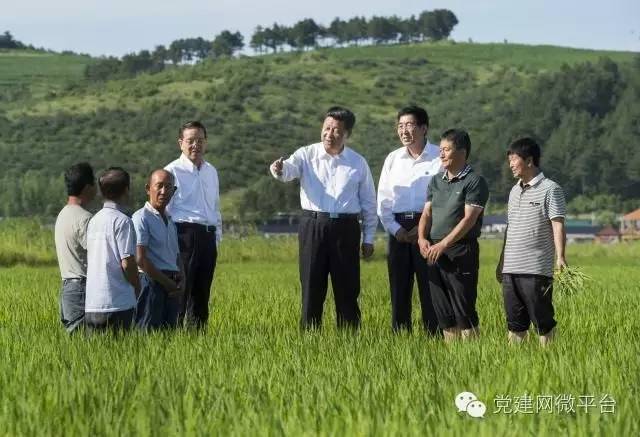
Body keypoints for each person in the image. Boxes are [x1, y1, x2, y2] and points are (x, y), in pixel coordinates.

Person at [269, 106, 377, 329]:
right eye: (326, 128)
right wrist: (279, 169)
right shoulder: (306, 154)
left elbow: (368, 203)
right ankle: (310, 338)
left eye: (336, 130)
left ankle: (349, 339)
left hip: (346, 228)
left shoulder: (358, 163)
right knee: (311, 286)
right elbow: (288, 170)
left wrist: (368, 238)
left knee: (347, 288)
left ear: (346, 134)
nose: (329, 134)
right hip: (313, 226)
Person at [417, 129, 489, 342]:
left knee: (463, 309)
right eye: (441, 150)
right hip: (434, 251)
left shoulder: (475, 181)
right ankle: (454, 361)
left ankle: (474, 357)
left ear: (462, 152)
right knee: (444, 313)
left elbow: (469, 219)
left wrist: (444, 244)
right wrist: (422, 238)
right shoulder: (436, 181)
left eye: (447, 150)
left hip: (460, 250)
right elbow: (426, 214)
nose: (442, 154)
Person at [377, 105, 441, 334]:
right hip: (398, 231)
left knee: (430, 288)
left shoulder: (438, 157)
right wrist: (397, 230)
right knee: (399, 290)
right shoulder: (393, 159)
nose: (404, 130)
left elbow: (443, 197)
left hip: (430, 231)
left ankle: (434, 338)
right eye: (400, 126)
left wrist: (423, 229)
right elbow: (383, 200)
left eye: (410, 125)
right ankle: (400, 338)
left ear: (424, 128)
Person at [500, 137, 567, 346]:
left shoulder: (551, 189)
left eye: (514, 159)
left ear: (529, 161)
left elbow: (558, 225)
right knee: (515, 323)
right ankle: (515, 368)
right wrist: (501, 262)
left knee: (542, 322)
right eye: (509, 160)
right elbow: (510, 229)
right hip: (510, 268)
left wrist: (561, 257)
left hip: (536, 269)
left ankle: (549, 363)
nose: (510, 164)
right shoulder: (514, 191)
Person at [165, 120, 222, 330]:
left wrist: (217, 238)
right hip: (184, 236)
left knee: (202, 294)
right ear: (181, 143)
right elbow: (165, 210)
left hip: (208, 236)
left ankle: (197, 339)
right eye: (190, 141)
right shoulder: (172, 171)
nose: (195, 145)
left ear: (206, 143)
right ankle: (174, 335)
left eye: (200, 140)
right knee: (181, 292)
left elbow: (215, 207)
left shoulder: (211, 171)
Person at [85, 167, 140, 332]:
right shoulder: (123, 221)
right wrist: (137, 286)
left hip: (93, 303)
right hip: (118, 303)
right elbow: (127, 263)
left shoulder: (93, 221)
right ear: (126, 190)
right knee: (121, 355)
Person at [132, 169, 185, 330]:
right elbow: (140, 259)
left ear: (174, 191)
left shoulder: (171, 221)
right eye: (159, 186)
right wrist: (167, 282)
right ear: (148, 188)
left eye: (169, 187)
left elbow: (176, 256)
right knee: (148, 334)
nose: (164, 191)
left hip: (172, 283)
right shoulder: (141, 218)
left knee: (169, 337)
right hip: (151, 283)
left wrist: (182, 280)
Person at [54, 162, 96, 333]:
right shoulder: (85, 219)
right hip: (82, 288)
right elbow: (98, 255)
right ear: (87, 187)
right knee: (88, 345)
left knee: (77, 346)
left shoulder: (63, 214)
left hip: (68, 288)